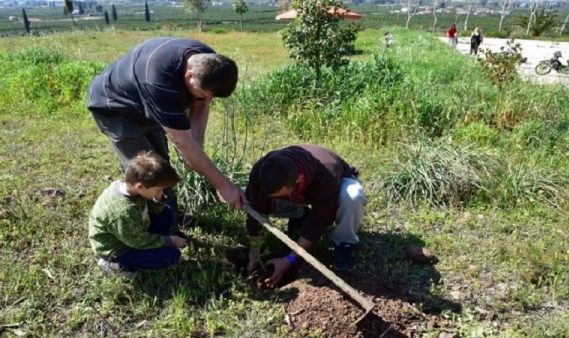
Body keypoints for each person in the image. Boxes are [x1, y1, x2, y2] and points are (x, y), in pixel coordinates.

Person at [87, 37, 247, 224]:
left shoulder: (210, 61)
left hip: (145, 102)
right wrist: (223, 185)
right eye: (203, 94)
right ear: (189, 76)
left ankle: (168, 215)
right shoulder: (159, 81)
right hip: (114, 107)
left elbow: (201, 104)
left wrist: (196, 149)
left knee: (161, 164)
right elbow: (181, 141)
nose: (205, 100)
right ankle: (155, 229)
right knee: (148, 172)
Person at [245, 145, 368, 288]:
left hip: (334, 184)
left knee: (352, 197)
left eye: (283, 195)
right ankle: (300, 215)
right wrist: (254, 256)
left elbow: (319, 222)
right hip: (300, 191)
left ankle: (345, 243)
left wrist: (289, 259)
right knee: (251, 197)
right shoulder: (261, 170)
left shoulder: (328, 172)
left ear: (298, 181)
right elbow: (256, 212)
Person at [89, 152, 188, 279]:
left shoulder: (129, 187)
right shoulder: (122, 211)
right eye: (159, 190)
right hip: (119, 249)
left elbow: (153, 210)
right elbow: (138, 241)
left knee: (165, 212)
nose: (162, 192)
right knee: (172, 255)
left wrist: (158, 199)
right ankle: (115, 265)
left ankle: (155, 247)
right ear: (140, 186)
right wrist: (171, 240)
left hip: (132, 233)